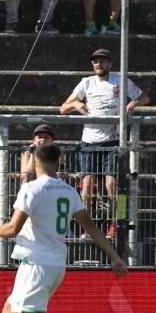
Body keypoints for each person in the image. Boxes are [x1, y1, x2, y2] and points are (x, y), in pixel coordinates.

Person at [0, 143, 128, 313]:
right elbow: (91, 228)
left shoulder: (31, 188)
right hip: (56, 263)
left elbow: (12, 228)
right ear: (59, 162)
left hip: (36, 263)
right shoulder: (69, 191)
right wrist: (114, 256)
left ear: (34, 162)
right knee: (9, 308)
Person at [58, 48, 149, 239]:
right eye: (95, 61)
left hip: (114, 140)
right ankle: (87, 228)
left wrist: (133, 104)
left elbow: (144, 97)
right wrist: (76, 104)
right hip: (89, 141)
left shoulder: (120, 80)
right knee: (87, 184)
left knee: (112, 185)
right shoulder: (86, 83)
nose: (98, 64)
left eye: (102, 61)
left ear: (110, 63)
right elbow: (63, 108)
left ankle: (118, 223)